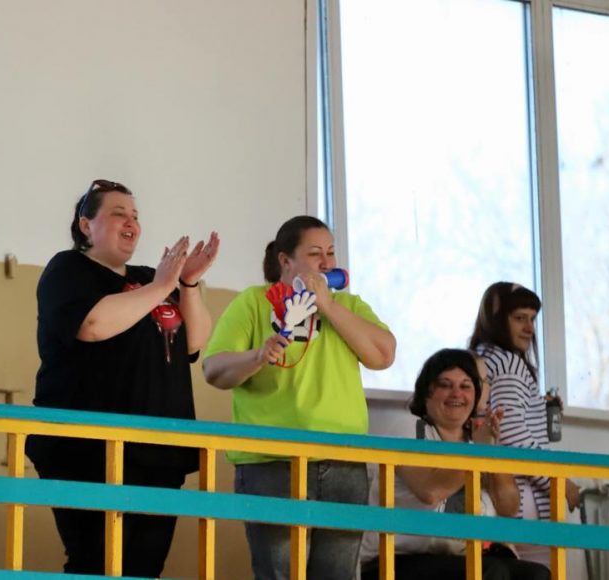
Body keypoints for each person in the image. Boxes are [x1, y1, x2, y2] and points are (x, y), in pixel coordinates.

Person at [26, 179, 219, 577]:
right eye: (119, 214)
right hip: (87, 450)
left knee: (144, 568)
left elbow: (194, 341)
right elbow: (92, 325)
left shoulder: (151, 277)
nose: (131, 223)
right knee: (96, 563)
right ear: (86, 225)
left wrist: (187, 284)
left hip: (159, 450)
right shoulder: (68, 269)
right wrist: (162, 285)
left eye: (135, 215)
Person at [202, 215, 395, 580]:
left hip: (343, 460)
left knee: (337, 574)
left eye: (331, 253)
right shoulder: (253, 303)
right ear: (285, 261)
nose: (326, 262)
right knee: (279, 573)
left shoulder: (348, 305)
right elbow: (213, 370)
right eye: (315, 253)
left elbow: (383, 355)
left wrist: (328, 306)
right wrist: (257, 356)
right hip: (271, 462)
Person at [358, 349, 550, 580]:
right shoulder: (410, 428)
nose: (456, 393)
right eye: (445, 385)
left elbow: (508, 508)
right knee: (489, 571)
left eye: (466, 386)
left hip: (455, 560)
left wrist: (491, 450)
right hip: (394, 560)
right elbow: (429, 491)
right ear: (426, 393)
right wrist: (478, 453)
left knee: (537, 574)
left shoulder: (475, 441)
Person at [468, 282, 579, 566]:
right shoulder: (508, 363)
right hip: (525, 498)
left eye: (532, 319)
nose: (529, 328)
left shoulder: (481, 358)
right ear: (496, 319)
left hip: (498, 498)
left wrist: (537, 406)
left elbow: (502, 417)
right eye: (519, 318)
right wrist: (560, 482)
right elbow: (512, 434)